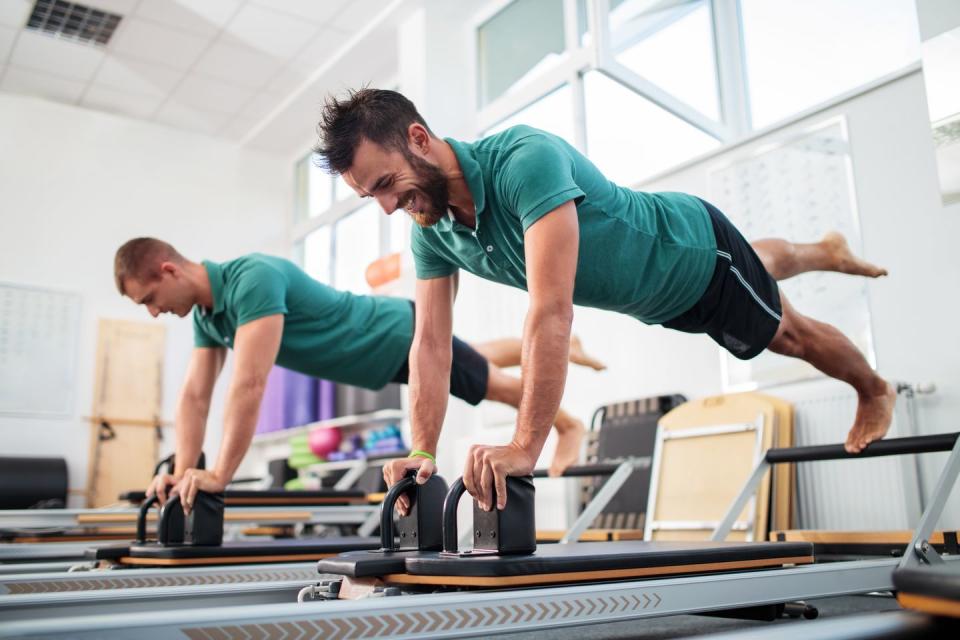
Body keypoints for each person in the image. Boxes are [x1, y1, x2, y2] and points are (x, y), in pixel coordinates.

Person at [314, 88, 894, 514]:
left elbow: (550, 312)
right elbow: (431, 344)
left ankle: (872, 388)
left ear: (419, 139)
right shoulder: (430, 226)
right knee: (760, 266)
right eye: (372, 198)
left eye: (386, 184)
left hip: (690, 255)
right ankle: (822, 250)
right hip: (654, 298)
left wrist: (525, 445)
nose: (388, 207)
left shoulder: (522, 160)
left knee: (786, 333)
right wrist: (421, 449)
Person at [113, 239, 604, 511]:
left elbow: (248, 384)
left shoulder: (251, 279)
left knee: (486, 385)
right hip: (375, 355)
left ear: (168, 270)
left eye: (149, 300)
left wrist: (220, 474)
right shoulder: (206, 315)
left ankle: (567, 423)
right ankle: (544, 353)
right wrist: (180, 471)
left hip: (390, 333)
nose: (154, 313)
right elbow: (194, 397)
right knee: (472, 360)